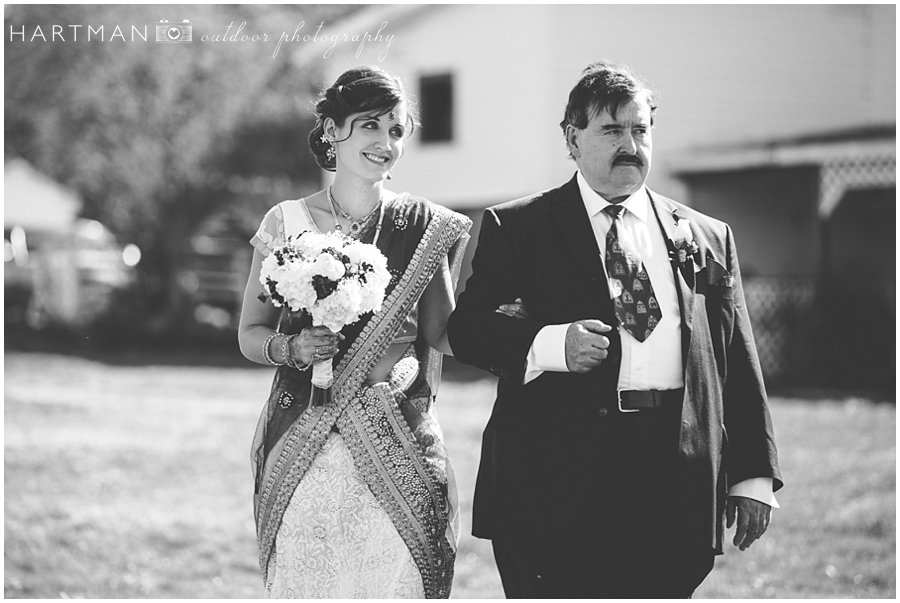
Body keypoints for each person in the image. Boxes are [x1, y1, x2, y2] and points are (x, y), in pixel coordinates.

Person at [446, 60, 783, 598]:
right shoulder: (520, 227)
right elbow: (467, 329)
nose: (630, 144)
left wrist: (753, 475)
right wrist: (551, 344)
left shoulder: (706, 234)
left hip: (674, 478)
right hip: (554, 482)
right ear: (572, 139)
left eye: (640, 129)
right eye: (611, 130)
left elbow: (736, 359)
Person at [238, 66, 471, 599]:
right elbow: (250, 333)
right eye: (370, 125)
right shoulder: (286, 221)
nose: (385, 143)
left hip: (396, 429)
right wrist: (290, 347)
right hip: (305, 435)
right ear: (330, 131)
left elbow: (443, 333)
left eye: (396, 130)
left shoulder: (422, 225)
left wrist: (515, 328)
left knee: (397, 578)